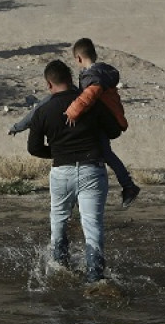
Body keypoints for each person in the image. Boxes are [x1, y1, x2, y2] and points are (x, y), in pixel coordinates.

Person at [27, 59, 122, 283]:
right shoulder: (91, 103)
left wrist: (59, 153)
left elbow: (33, 148)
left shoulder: (43, 111)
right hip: (92, 170)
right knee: (92, 225)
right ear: (71, 79)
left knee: (58, 222)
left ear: (49, 84)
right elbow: (114, 131)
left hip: (61, 172)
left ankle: (60, 267)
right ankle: (95, 278)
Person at [64, 38, 141, 208]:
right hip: (105, 120)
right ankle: (123, 186)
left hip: (99, 122)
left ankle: (127, 186)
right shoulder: (102, 73)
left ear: (78, 58)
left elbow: (90, 95)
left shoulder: (92, 77)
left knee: (103, 153)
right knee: (103, 154)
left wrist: (72, 111)